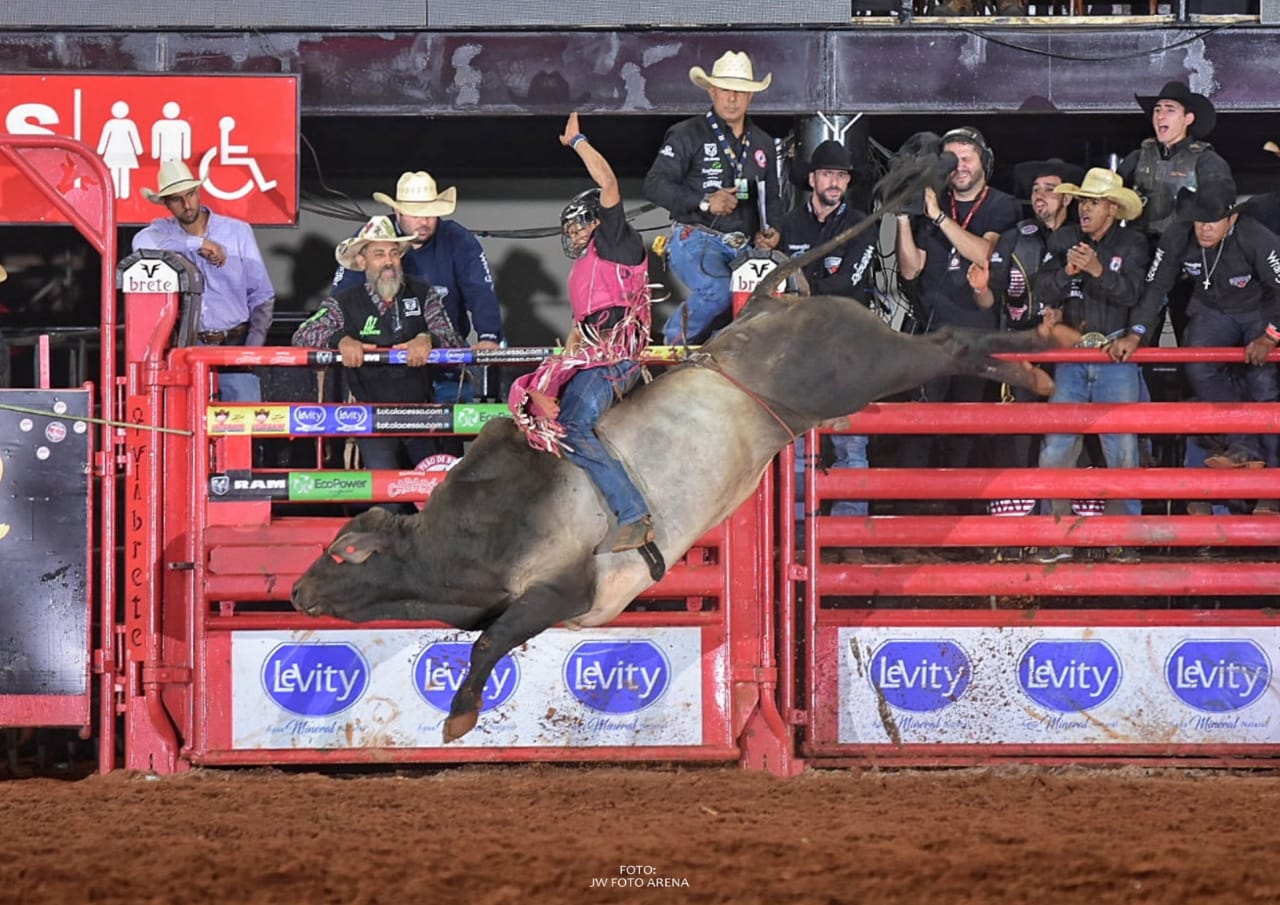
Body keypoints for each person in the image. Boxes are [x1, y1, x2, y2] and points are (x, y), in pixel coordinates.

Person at [509, 113, 655, 553]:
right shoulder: (586, 268)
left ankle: (632, 514)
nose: (571, 233)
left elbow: (609, 183)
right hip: (594, 352)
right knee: (540, 409)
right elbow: (578, 328)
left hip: (618, 354)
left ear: (596, 221)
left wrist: (578, 142)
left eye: (577, 224)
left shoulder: (616, 240)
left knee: (571, 425)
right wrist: (557, 371)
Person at [294, 216, 467, 502]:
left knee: (435, 499)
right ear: (362, 263)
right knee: (387, 500)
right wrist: (340, 340)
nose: (388, 261)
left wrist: (428, 339)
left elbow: (455, 341)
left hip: (421, 415)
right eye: (379, 254)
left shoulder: (424, 294)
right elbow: (303, 335)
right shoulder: (343, 302)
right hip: (370, 418)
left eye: (393, 253)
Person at [1030, 168, 1151, 564]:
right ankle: (1055, 535)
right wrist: (1068, 271)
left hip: (1116, 353)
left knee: (1123, 449)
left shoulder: (1133, 243)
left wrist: (1097, 270)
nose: (1084, 208)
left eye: (1093, 202)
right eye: (1082, 201)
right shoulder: (1064, 240)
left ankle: (1123, 539)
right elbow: (1041, 287)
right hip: (1073, 355)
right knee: (1057, 448)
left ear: (1112, 208)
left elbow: (1136, 291)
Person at [1140, 178, 1280, 513]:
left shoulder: (1257, 237)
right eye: (1198, 221)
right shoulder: (1178, 234)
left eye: (1212, 221)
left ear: (1231, 219)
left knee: (1263, 387)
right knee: (1198, 366)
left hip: (1257, 312)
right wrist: (1138, 331)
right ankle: (1244, 446)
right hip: (1211, 310)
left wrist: (1271, 335)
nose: (1203, 228)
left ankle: (1271, 493)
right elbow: (1157, 285)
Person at [967, 157, 1083, 558]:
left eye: (1049, 189)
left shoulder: (1085, 235)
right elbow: (989, 299)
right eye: (1035, 190)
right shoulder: (1018, 237)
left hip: (1069, 355)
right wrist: (981, 288)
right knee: (1015, 435)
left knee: (1067, 439)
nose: (1040, 196)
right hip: (1019, 350)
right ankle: (1012, 530)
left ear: (1068, 195)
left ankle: (1072, 533)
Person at [894, 126, 1020, 480]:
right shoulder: (932, 202)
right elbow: (910, 269)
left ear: (984, 162)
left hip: (977, 335)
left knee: (968, 430)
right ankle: (910, 514)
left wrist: (937, 217)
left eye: (967, 157)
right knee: (917, 427)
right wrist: (905, 214)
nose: (959, 166)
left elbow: (984, 252)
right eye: (952, 159)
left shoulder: (1002, 204)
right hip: (933, 335)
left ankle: (962, 519)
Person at [779, 139, 877, 560]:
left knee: (850, 443)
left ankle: (848, 537)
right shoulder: (786, 224)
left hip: (848, 347)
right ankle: (802, 537)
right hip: (800, 350)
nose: (835, 182)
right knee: (799, 444)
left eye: (842, 175)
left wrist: (803, 282)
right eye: (829, 174)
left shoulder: (861, 222)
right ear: (813, 179)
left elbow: (848, 286)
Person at [643, 50, 782, 346]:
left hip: (743, 244)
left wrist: (772, 230)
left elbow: (772, 198)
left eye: (740, 91)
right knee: (718, 290)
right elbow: (654, 185)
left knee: (774, 299)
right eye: (725, 90)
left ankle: (722, 356)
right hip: (696, 235)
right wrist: (704, 201)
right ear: (712, 91)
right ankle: (671, 348)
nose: (732, 98)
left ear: (751, 97)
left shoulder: (763, 142)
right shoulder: (687, 133)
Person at [332, 170, 504, 405]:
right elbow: (339, 300)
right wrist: (341, 338)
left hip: (443, 361)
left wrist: (488, 335)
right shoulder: (373, 237)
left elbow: (480, 289)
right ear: (397, 211)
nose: (423, 222)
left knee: (449, 435)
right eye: (416, 214)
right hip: (379, 369)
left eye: (431, 214)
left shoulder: (458, 239)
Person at [133, 160, 275, 401]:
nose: (187, 205)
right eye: (177, 199)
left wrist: (253, 347)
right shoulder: (161, 232)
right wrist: (199, 244)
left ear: (198, 193)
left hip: (235, 344)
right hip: (189, 347)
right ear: (166, 204)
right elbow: (141, 244)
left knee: (242, 428)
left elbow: (262, 294)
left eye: (190, 195)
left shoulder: (237, 231)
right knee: (190, 426)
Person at [1117, 80, 1233, 344]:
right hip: (1144, 259)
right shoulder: (1137, 158)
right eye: (1157, 110)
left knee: (1192, 340)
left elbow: (1220, 212)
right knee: (1139, 339)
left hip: (1189, 265)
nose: (1160, 115)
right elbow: (1111, 204)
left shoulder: (1207, 161)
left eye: (1169, 109)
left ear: (1188, 118)